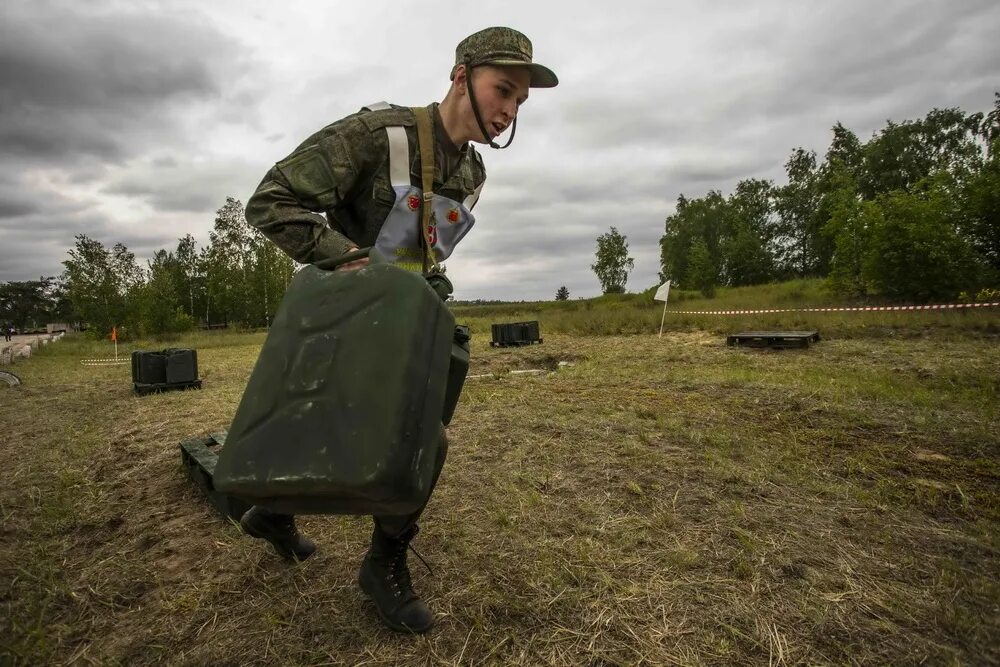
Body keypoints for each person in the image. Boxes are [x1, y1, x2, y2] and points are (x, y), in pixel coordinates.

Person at [239, 26, 557, 634]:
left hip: (409, 320)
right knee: (323, 426)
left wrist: (423, 289)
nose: (510, 109)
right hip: (344, 313)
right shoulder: (378, 135)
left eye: (520, 100)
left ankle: (381, 556)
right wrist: (350, 259)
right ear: (461, 75)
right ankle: (277, 512)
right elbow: (271, 201)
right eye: (503, 89)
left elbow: (427, 253)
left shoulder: (472, 174)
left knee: (427, 435)